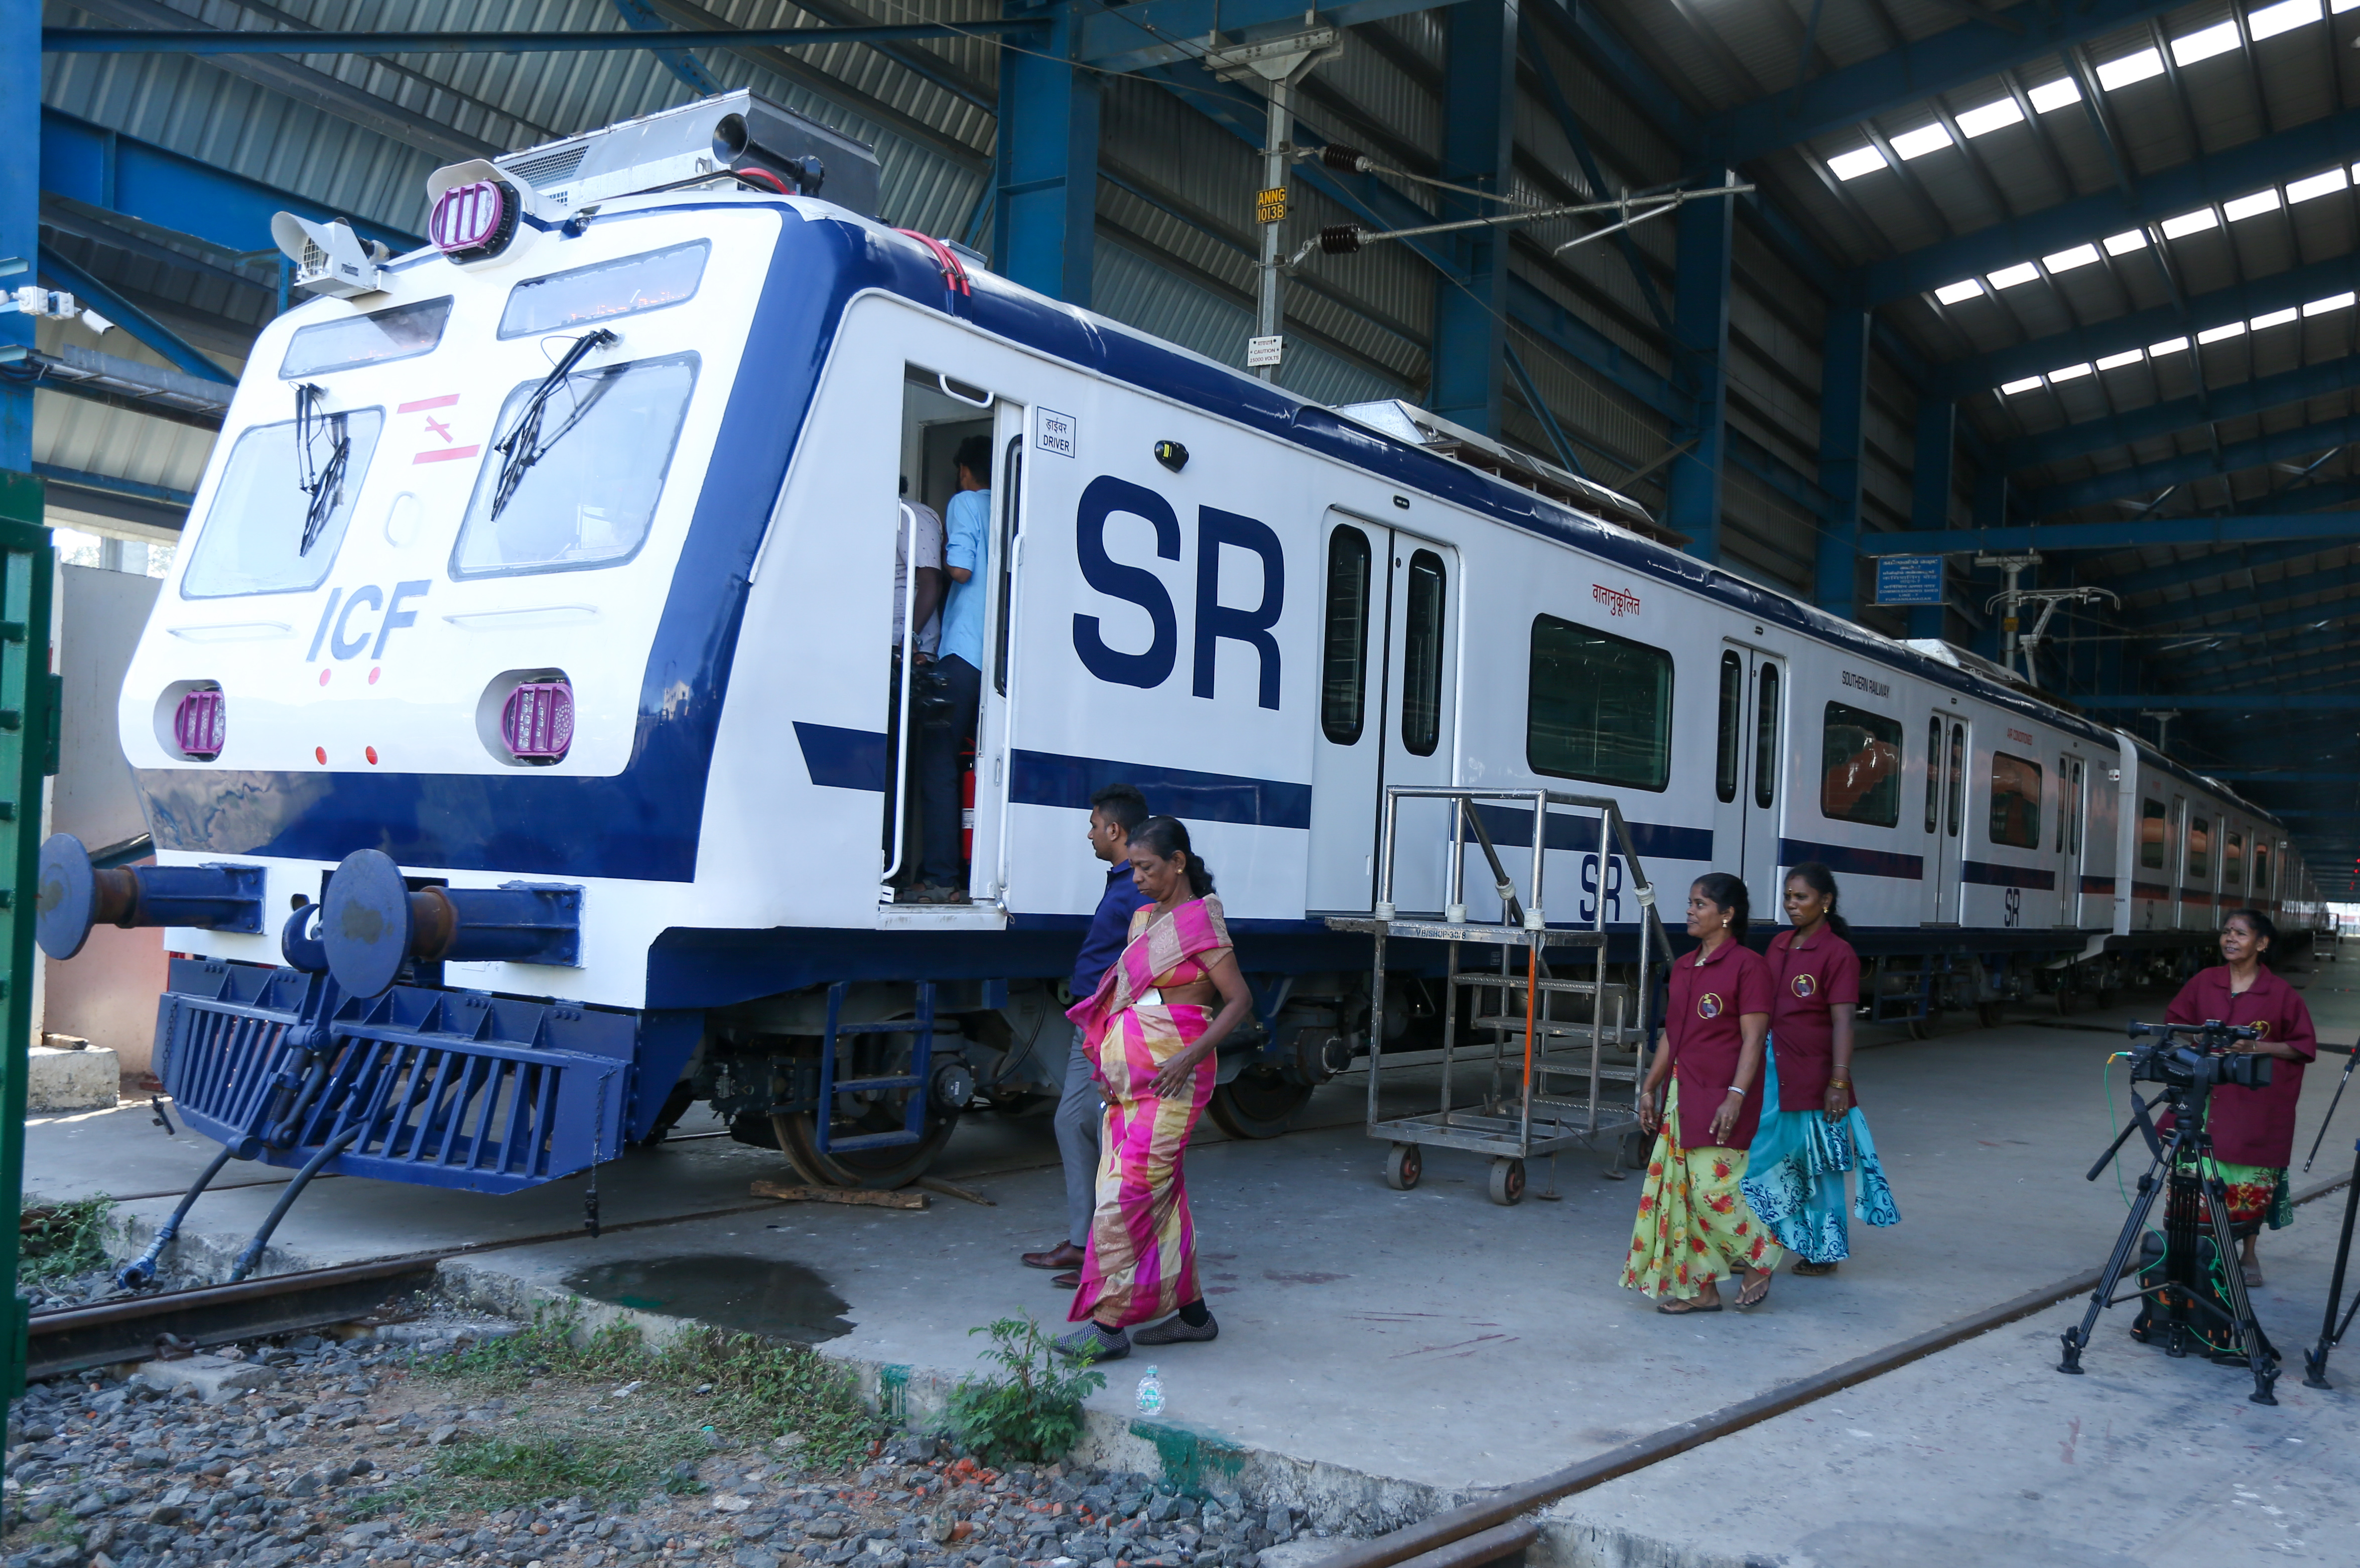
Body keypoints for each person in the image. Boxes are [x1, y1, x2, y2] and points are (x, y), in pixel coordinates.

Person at [1056, 816, 1251, 1360]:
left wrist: (1190, 1055)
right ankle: (1192, 1317)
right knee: (1162, 1198)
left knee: (1127, 1195)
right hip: (1129, 1082)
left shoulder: (1201, 926)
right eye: (1133, 867)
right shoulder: (1142, 918)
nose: (1135, 876)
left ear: (1178, 863)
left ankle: (1109, 1325)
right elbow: (1123, 995)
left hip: (1176, 1080)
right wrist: (1106, 1062)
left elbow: (1238, 1002)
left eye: (1146, 867)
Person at [1623, 873, 1784, 1314]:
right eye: (1691, 903)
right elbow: (1673, 1037)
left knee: (1714, 1192)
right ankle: (1703, 1290)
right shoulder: (1684, 966)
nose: (1691, 911)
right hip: (1683, 1095)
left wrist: (1735, 1095)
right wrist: (1651, 1087)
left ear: (1727, 915)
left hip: (1725, 1099)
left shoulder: (1749, 966)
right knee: (1681, 1197)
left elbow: (1754, 1040)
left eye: (1701, 904)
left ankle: (1761, 1256)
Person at [1020, 782, 1152, 1287]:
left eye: (1094, 825)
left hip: (1108, 1024)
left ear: (1115, 829)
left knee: (1104, 1132)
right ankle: (1087, 1243)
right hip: (1090, 1021)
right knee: (1074, 1122)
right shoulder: (1122, 880)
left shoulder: (1137, 888)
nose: (1089, 834)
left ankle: (1108, 1250)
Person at [1740, 863, 1900, 1275]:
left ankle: (1822, 1250)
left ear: (1825, 902)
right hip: (1771, 1073)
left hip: (1815, 1076)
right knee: (1762, 1159)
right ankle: (1757, 1246)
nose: (1791, 905)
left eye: (1801, 897)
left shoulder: (1837, 953)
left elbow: (1844, 1020)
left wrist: (1839, 1081)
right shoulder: (1777, 945)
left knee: (1817, 1164)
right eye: (1788, 897)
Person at [2161, 909, 2317, 1289]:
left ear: (2261, 944)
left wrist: (2256, 1047)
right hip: (2206, 1097)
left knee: (2249, 1175)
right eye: (2227, 932)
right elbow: (2175, 1022)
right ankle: (2191, 1250)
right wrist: (2197, 1043)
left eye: (2241, 934)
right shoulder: (2205, 982)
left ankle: (2247, 1253)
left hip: (2252, 1103)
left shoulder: (2280, 994)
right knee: (2192, 1174)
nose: (2230, 939)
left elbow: (2302, 1046)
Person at [913, 435, 993, 902]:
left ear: (965, 470)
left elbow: (960, 571)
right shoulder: (1010, 509)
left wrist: (940, 552)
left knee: (938, 761)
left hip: (963, 652)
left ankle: (942, 875)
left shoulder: (966, 502)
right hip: (996, 659)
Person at [885, 479, 945, 892]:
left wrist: (910, 640)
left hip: (906, 654)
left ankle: (898, 867)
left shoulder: (914, 517)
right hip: (880, 649)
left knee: (898, 766)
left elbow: (930, 581)